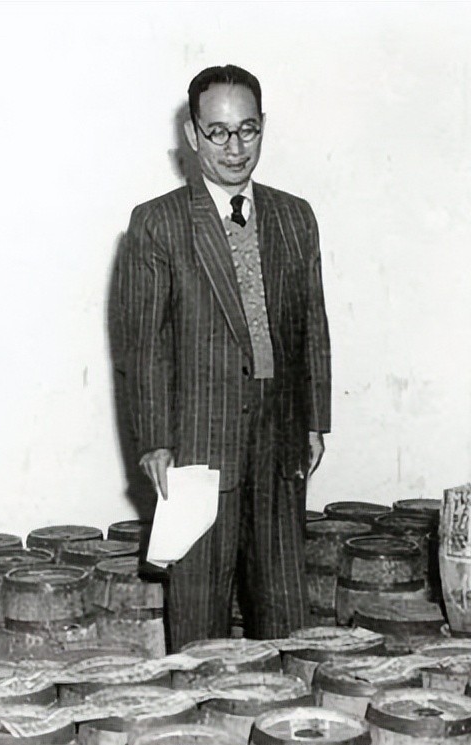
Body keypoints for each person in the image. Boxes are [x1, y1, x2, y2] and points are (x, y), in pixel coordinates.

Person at [118, 64, 331, 650]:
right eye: (218, 132)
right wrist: (155, 441)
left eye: (248, 130)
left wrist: (314, 420)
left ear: (263, 127)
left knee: (286, 615)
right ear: (192, 135)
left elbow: (312, 325)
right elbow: (144, 344)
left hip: (279, 442)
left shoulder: (295, 217)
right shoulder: (158, 223)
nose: (235, 148)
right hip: (196, 446)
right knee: (198, 620)